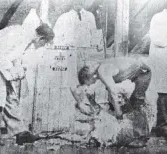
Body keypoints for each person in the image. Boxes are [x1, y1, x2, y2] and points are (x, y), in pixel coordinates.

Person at [0, 23, 55, 145]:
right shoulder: (18, 34)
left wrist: (18, 69)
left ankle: (21, 133)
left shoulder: (26, 38)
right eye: (44, 43)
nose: (42, 46)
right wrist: (12, 70)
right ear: (41, 38)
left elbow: (13, 56)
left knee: (11, 97)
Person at [71, 57, 151, 147]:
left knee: (136, 101)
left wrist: (119, 115)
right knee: (119, 102)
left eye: (89, 83)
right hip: (135, 74)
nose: (91, 85)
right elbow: (73, 87)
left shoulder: (102, 71)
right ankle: (133, 135)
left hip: (143, 72)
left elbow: (113, 92)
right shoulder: (98, 70)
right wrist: (80, 103)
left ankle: (142, 138)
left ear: (89, 76)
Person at [149, 9, 167, 138]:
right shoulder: (158, 17)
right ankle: (162, 124)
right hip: (161, 59)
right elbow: (157, 40)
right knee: (163, 92)